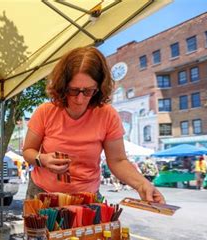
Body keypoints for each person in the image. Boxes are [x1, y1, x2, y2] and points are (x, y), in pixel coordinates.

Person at [22, 47, 165, 203]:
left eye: (89, 91)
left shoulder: (107, 115)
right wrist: (42, 159)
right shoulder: (45, 111)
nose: (80, 99)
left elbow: (117, 161)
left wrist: (143, 185)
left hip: (87, 198)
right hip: (43, 194)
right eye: (73, 90)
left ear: (99, 88)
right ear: (62, 85)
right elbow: (28, 151)